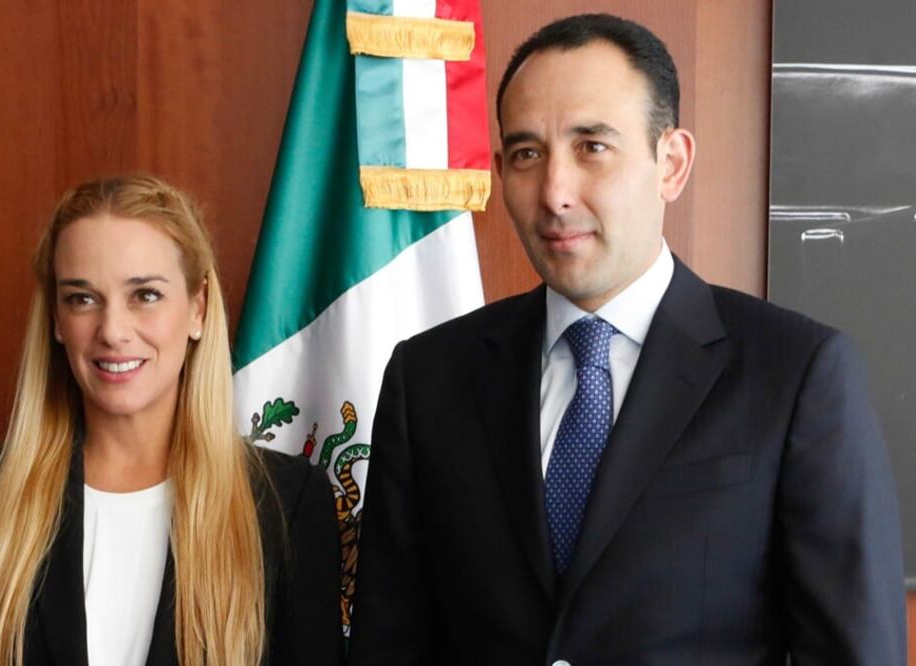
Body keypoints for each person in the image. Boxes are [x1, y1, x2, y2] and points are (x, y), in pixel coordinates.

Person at [348, 13, 906, 666]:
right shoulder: (429, 376)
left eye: (591, 147)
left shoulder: (795, 374)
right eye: (527, 154)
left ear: (669, 163)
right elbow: (389, 644)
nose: (554, 193)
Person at [0, 175, 344, 666]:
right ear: (56, 318)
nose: (113, 331)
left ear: (197, 308)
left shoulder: (285, 504)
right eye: (82, 298)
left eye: (146, 295)